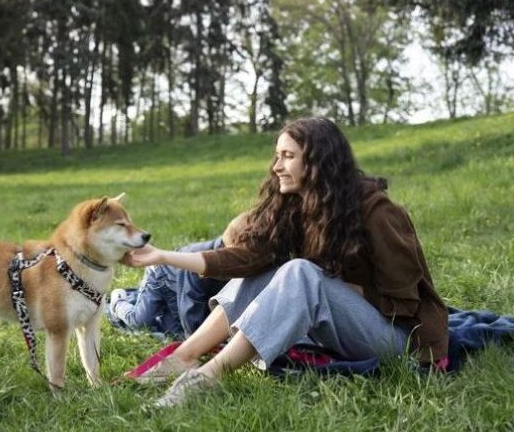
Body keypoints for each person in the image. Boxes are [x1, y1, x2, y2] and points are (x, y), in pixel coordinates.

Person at [125, 117, 449, 408]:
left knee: (299, 272)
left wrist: (332, 286)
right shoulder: (300, 205)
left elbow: (405, 302)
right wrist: (164, 257)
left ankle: (208, 377)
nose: (277, 166)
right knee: (268, 269)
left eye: (288, 156)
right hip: (343, 328)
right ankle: (185, 356)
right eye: (277, 156)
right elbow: (247, 258)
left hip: (396, 339)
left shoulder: (379, 213)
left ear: (318, 162)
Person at [108, 212, 251, 338]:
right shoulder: (202, 261)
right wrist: (196, 337)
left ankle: (137, 296)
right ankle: (119, 301)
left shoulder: (239, 261)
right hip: (160, 276)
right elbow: (190, 303)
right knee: (140, 321)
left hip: (177, 288)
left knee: (172, 331)